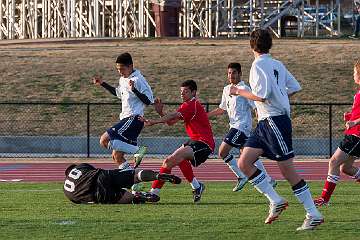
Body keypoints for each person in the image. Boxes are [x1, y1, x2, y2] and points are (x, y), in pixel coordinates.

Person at [231, 29, 323, 231]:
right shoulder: (277, 64)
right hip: (266, 122)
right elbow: (295, 87)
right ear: (269, 44)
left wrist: (239, 91)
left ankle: (313, 213)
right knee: (244, 162)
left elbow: (261, 95)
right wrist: (281, 96)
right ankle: (275, 200)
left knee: (288, 171)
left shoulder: (258, 65)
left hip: (274, 121)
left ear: (251, 45)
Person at [141, 80, 215, 203]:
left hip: (204, 143)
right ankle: (197, 187)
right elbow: (170, 122)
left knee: (171, 160)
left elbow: (171, 117)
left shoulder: (192, 105)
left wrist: (153, 121)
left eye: (185, 91)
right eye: (181, 92)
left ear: (194, 92)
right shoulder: (185, 106)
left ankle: (154, 193)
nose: (182, 94)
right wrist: (160, 112)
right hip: (194, 141)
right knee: (169, 162)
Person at [207, 62, 276, 192]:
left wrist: (262, 124)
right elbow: (222, 109)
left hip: (241, 127)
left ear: (240, 74)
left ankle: (241, 176)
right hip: (233, 126)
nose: (231, 75)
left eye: (233, 72)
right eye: (229, 73)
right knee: (248, 155)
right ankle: (268, 180)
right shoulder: (226, 89)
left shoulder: (245, 89)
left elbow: (255, 107)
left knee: (222, 151)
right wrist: (206, 116)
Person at [93, 52, 154, 170]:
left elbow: (148, 101)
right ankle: (134, 184)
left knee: (104, 140)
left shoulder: (138, 79)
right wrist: (102, 84)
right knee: (117, 156)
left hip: (134, 119)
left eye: (122, 69)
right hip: (126, 119)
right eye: (117, 69)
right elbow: (118, 93)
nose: (120, 72)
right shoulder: (123, 79)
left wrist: (135, 90)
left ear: (130, 66)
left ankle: (138, 150)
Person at [314, 60, 360, 206]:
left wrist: (355, 122)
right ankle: (325, 199)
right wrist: (350, 117)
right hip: (353, 133)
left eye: (354, 72)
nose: (353, 75)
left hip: (356, 136)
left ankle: (324, 199)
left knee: (333, 161)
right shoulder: (358, 92)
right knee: (345, 168)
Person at [63, 163, 181, 204]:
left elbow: (82, 202)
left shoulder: (66, 192)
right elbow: (94, 170)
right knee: (135, 175)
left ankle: (138, 197)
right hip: (102, 177)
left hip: (98, 195)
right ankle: (157, 175)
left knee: (130, 199)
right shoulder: (79, 168)